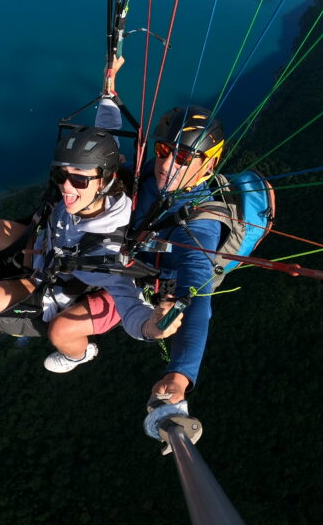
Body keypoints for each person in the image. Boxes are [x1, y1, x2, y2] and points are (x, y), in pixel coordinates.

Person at [0, 125, 182, 389]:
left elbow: (129, 303)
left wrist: (152, 328)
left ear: (103, 180)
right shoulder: (101, 188)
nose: (66, 186)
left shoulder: (107, 250)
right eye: (61, 175)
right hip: (43, 245)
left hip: (48, 282)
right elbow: (104, 133)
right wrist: (108, 92)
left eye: (78, 180)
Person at [50, 59, 226, 405]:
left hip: (138, 286)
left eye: (185, 156)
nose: (168, 163)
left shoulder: (199, 225)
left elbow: (199, 302)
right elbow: (112, 143)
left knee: (60, 329)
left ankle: (79, 352)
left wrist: (180, 376)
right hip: (111, 254)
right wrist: (109, 91)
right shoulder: (151, 176)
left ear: (209, 164)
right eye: (164, 149)